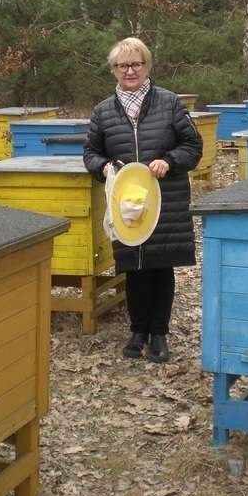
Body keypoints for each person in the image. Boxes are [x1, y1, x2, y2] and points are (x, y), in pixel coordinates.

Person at [83, 37, 203, 363]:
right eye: (122, 65)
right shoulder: (103, 111)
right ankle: (138, 331)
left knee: (161, 265)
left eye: (136, 64)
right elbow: (91, 153)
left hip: (165, 198)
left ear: (147, 66)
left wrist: (169, 160)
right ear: (114, 70)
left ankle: (159, 333)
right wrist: (103, 166)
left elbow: (193, 146)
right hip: (126, 201)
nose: (130, 71)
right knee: (133, 266)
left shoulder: (169, 103)